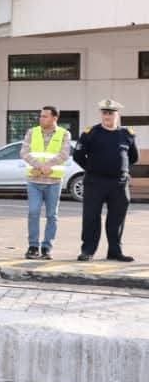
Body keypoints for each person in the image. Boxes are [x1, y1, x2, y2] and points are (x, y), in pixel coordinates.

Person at [74, 99, 138, 262]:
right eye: (104, 113)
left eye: (110, 113)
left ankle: (115, 251)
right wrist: (92, 169)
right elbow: (78, 155)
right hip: (95, 182)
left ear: (117, 115)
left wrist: (122, 169)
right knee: (91, 218)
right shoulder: (90, 133)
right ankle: (88, 251)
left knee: (117, 219)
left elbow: (133, 157)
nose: (107, 116)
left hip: (119, 184)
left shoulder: (127, 134)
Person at [21, 106, 71, 260]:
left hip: (54, 182)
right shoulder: (32, 132)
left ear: (54, 118)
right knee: (33, 212)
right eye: (41, 116)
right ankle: (33, 247)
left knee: (51, 215)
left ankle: (47, 248)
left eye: (45, 116)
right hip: (34, 181)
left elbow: (64, 154)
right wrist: (40, 166)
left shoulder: (64, 133)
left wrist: (47, 166)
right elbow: (24, 152)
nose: (41, 118)